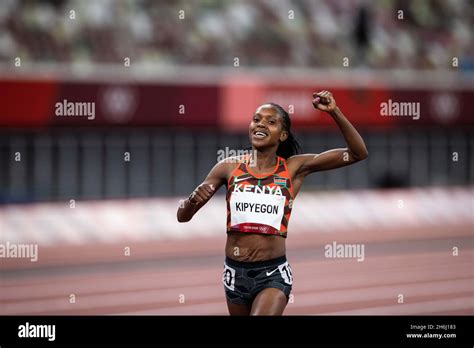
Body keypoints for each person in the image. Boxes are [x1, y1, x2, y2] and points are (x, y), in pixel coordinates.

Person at [177, 91, 368, 315]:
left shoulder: (294, 168)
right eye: (256, 119)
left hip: (272, 273)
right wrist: (191, 201)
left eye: (271, 121)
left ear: (283, 135)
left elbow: (357, 153)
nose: (261, 124)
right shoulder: (227, 168)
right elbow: (183, 216)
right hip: (234, 274)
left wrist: (334, 111)